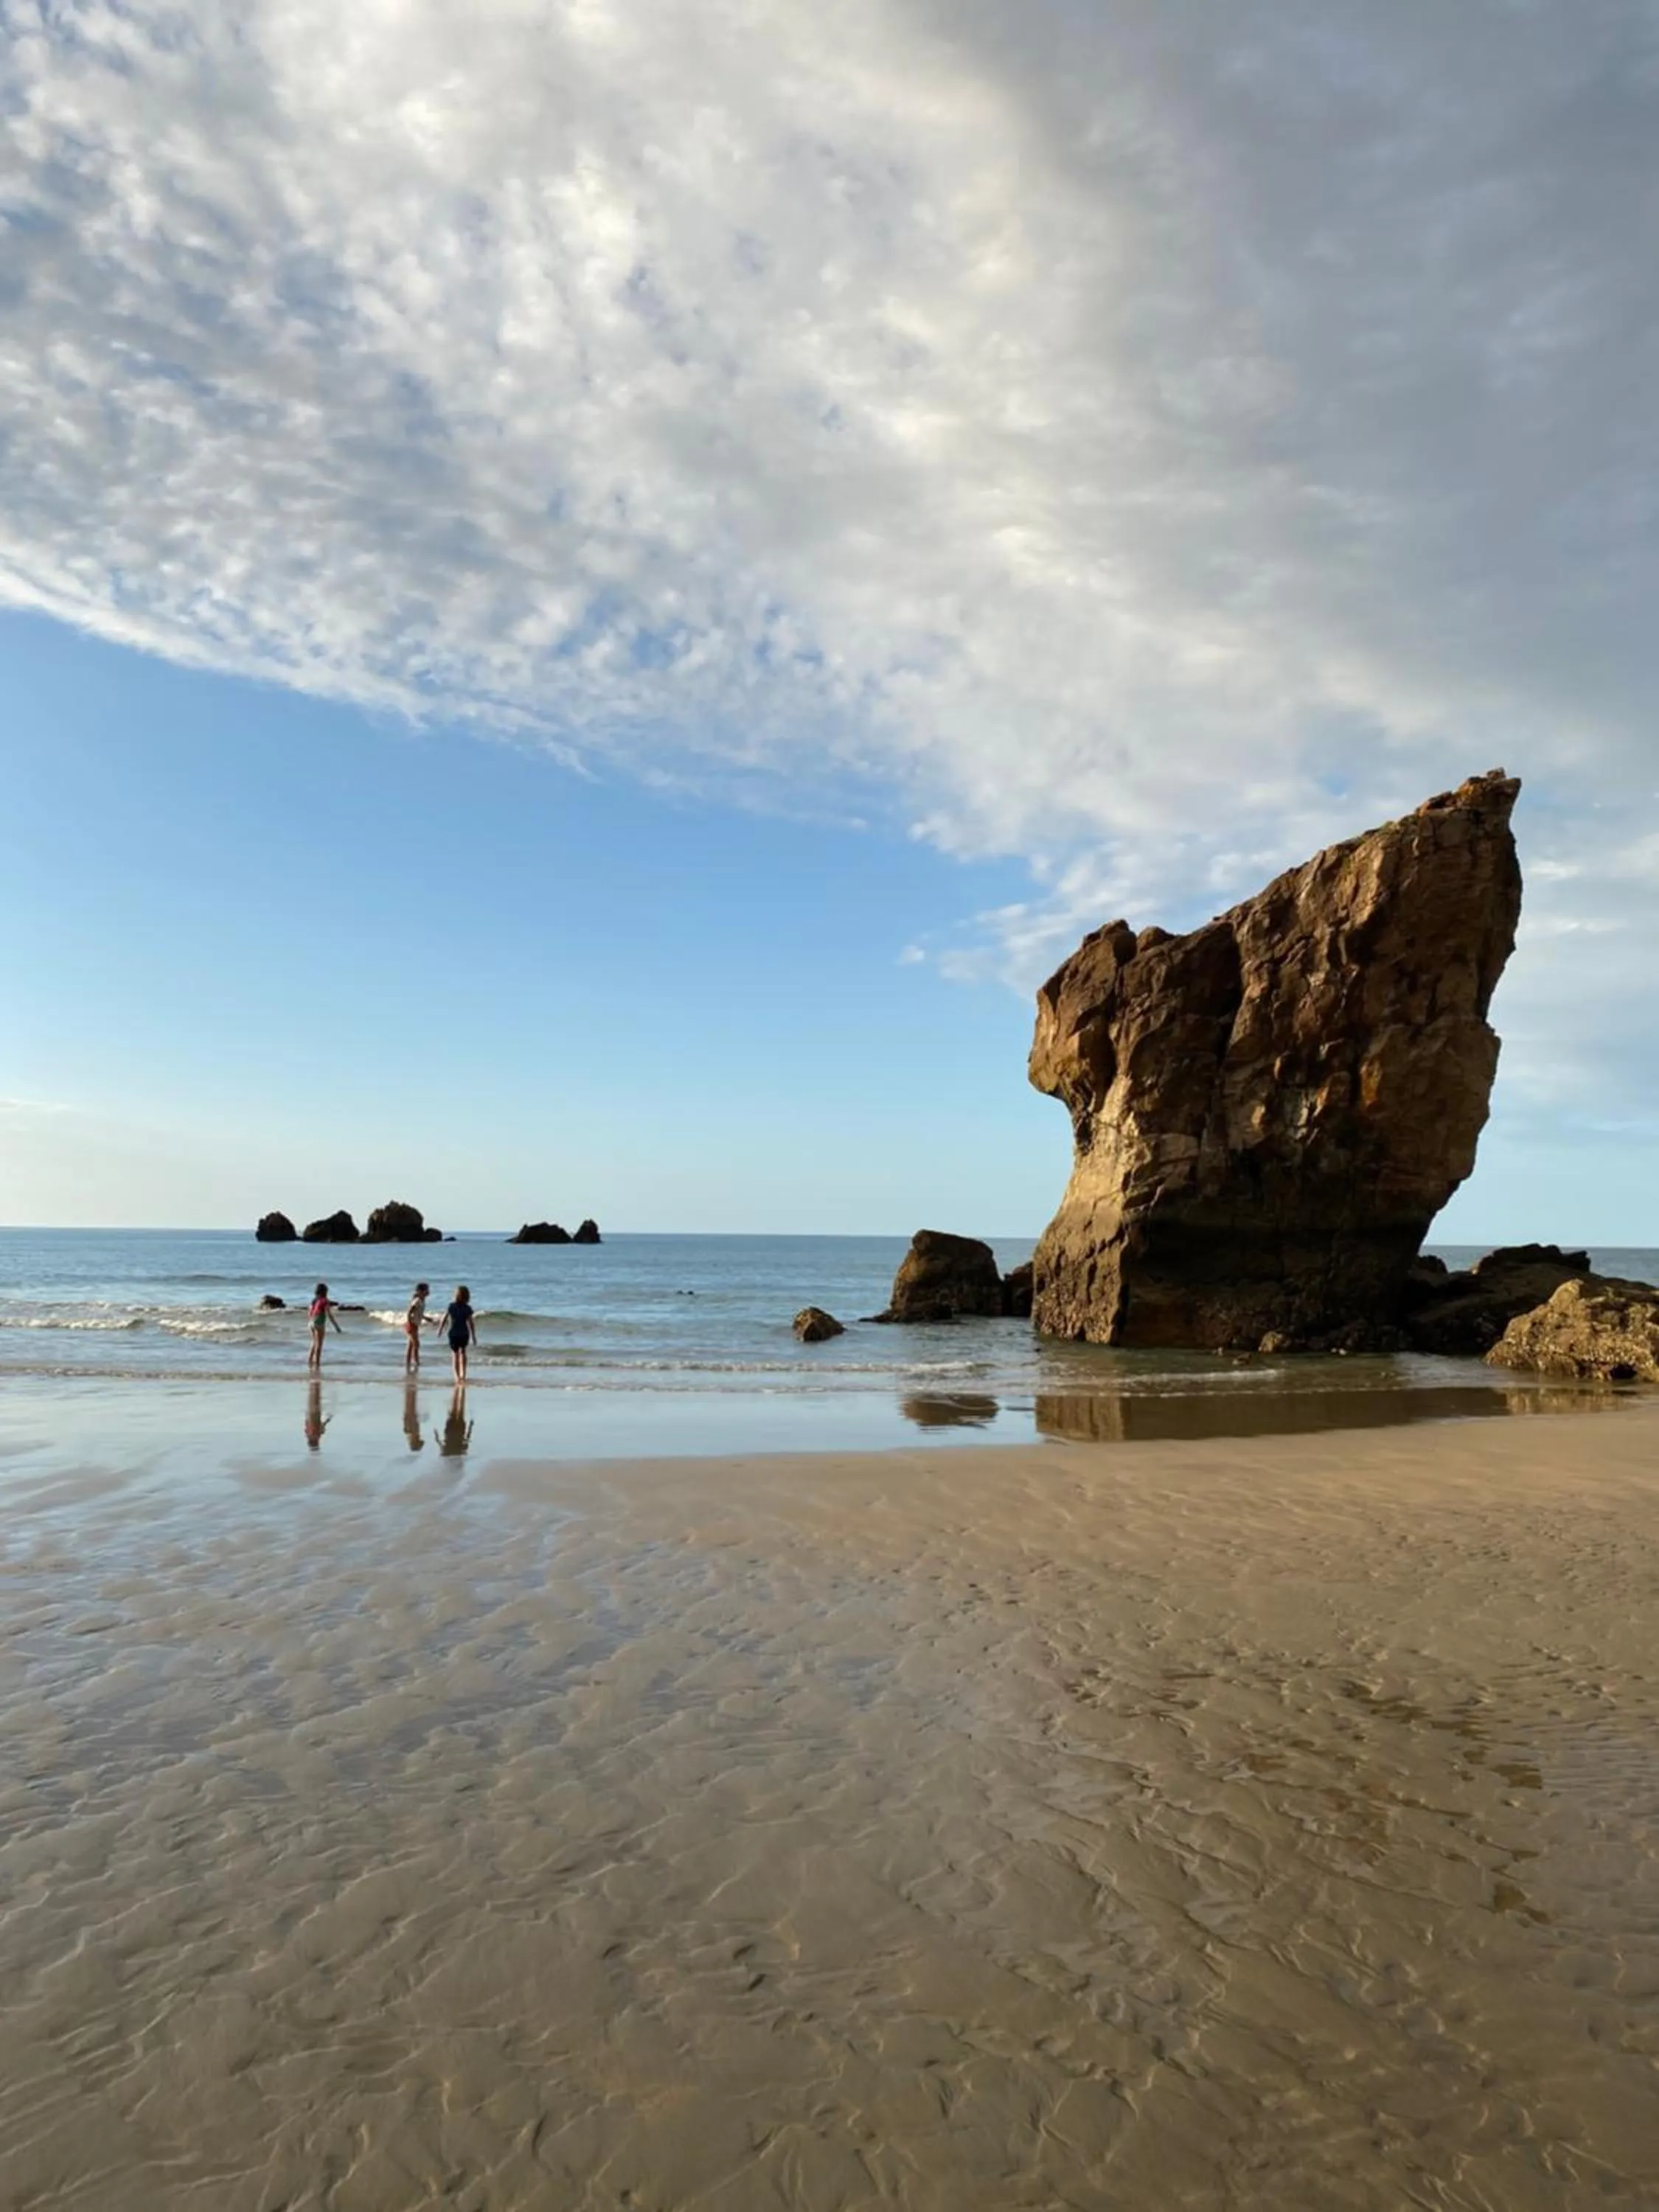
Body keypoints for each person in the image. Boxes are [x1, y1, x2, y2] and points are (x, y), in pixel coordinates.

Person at [442, 1285, 477, 1381]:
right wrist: (473, 1336)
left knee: (455, 1354)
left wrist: (440, 1329)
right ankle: (463, 1374)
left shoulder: (451, 1306)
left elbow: (444, 1318)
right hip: (463, 1333)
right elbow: (471, 1323)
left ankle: (457, 1376)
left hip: (454, 1333)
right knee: (463, 1353)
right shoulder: (467, 1308)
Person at [307, 1281, 342, 1371]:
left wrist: (311, 1320)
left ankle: (310, 1361)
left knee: (314, 1342)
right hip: (319, 1322)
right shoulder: (325, 1301)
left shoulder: (314, 1300)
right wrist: (336, 1326)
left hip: (311, 1322)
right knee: (319, 1344)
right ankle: (317, 1364)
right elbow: (329, 1314)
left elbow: (310, 1312)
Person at [404, 1281, 433, 1372]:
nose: (428, 1292)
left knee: (411, 1345)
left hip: (415, 1324)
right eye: (427, 1290)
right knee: (417, 1344)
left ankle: (408, 1362)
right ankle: (416, 1362)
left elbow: (419, 1313)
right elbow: (409, 1312)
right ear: (421, 1291)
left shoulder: (422, 1301)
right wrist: (409, 1323)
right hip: (412, 1324)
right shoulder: (417, 1301)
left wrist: (426, 1318)